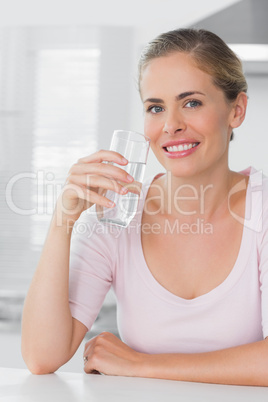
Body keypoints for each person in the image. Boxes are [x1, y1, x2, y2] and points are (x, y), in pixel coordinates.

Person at [21, 28, 268, 386]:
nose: (171, 125)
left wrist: (139, 365)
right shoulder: (117, 214)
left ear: (237, 110)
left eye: (192, 102)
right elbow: (41, 356)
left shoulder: (262, 209)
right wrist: (63, 219)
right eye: (156, 107)